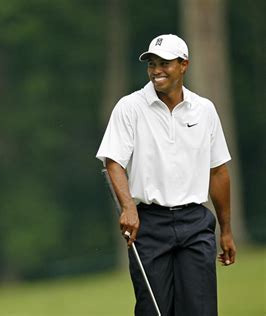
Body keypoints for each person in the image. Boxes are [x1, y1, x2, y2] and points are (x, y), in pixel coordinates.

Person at [96, 34, 236, 315]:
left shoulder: (204, 110)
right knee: (153, 310)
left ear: (184, 65)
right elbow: (114, 162)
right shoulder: (130, 107)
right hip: (149, 224)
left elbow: (218, 171)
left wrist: (227, 231)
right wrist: (128, 208)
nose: (156, 70)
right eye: (152, 64)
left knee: (200, 310)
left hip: (195, 222)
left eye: (164, 63)